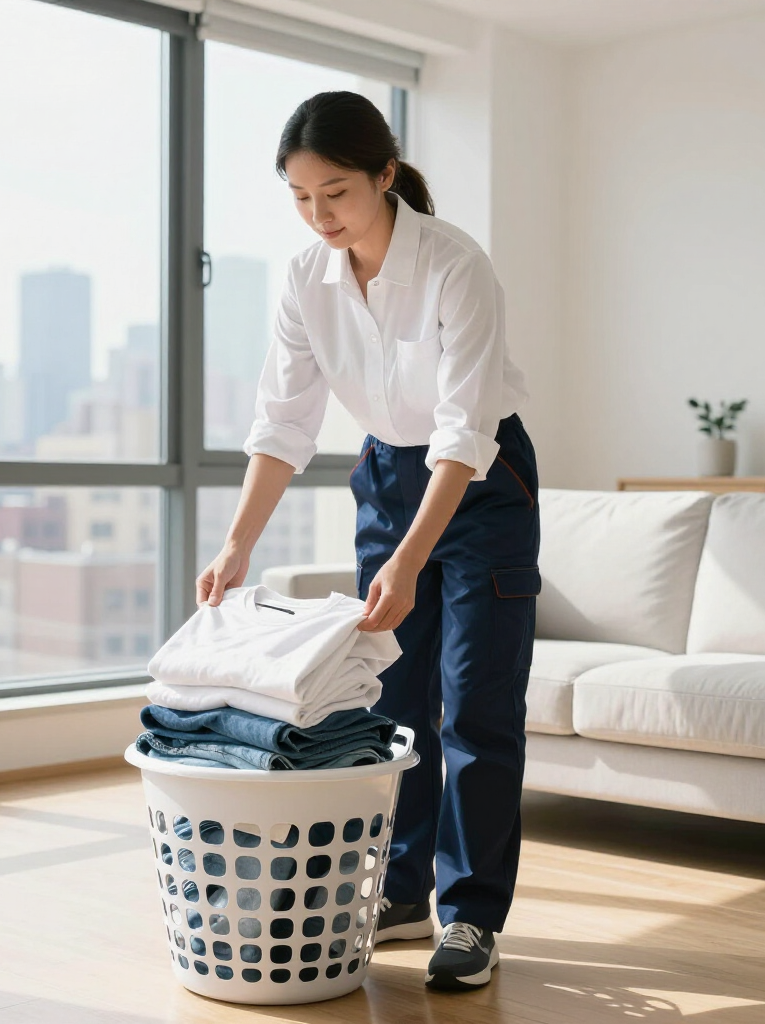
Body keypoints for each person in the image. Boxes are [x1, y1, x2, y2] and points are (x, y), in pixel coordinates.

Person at [195, 90, 540, 993]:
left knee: (474, 707)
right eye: (303, 199)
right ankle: (399, 889)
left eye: (336, 193)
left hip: (480, 484)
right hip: (389, 479)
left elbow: (466, 432)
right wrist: (236, 545)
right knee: (389, 703)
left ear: (387, 175)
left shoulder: (455, 265)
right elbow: (283, 425)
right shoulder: (306, 277)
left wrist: (412, 556)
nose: (321, 217)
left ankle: (469, 916)